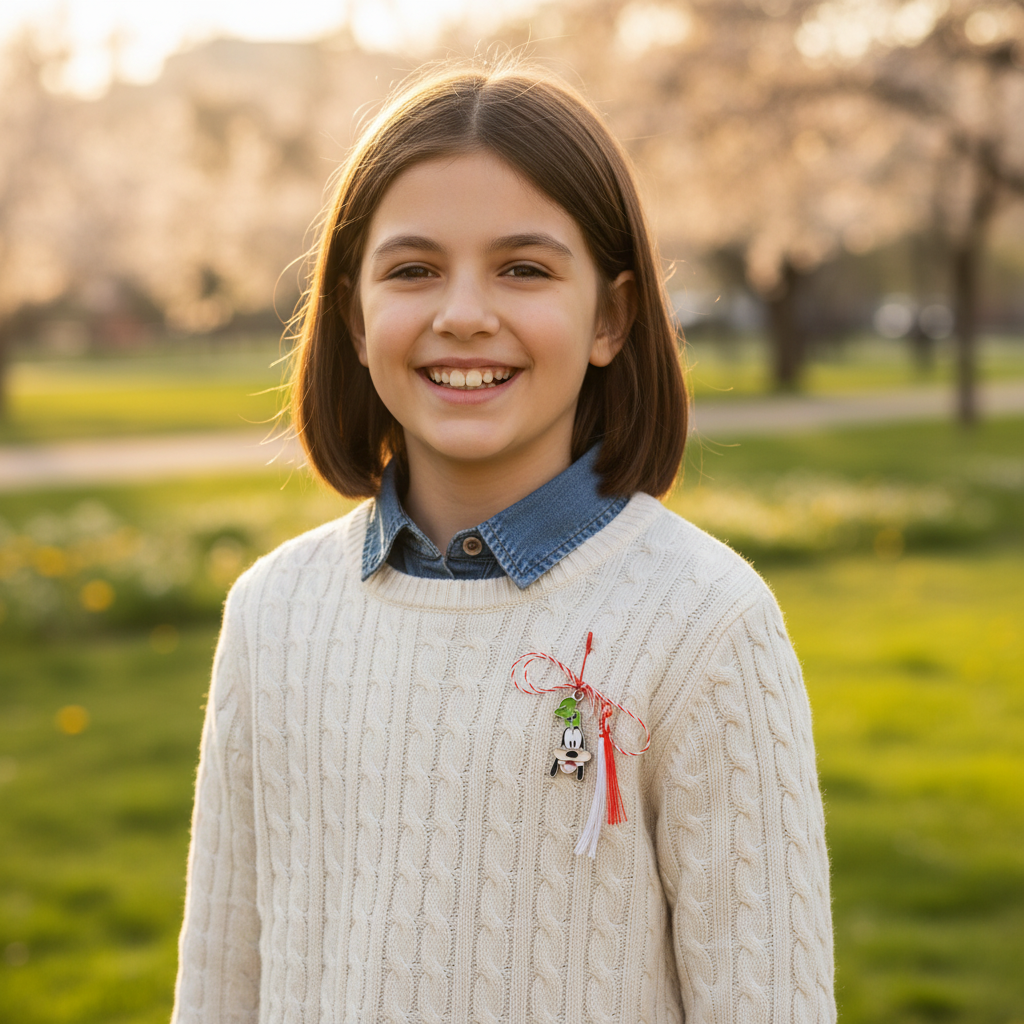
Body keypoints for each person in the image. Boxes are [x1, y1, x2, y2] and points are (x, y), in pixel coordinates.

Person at [172, 60, 835, 1024]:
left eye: (523, 268)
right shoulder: (271, 616)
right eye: (413, 270)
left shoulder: (705, 627)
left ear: (610, 316)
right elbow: (218, 990)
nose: (464, 314)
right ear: (354, 316)